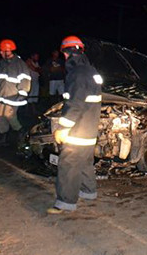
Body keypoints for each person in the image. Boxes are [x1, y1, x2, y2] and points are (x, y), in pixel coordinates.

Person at [47, 36, 102, 214]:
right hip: (90, 126)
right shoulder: (91, 70)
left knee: (68, 163)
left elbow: (75, 103)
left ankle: (65, 202)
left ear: (66, 53)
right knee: (85, 160)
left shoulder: (77, 73)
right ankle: (88, 191)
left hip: (78, 129)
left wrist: (63, 128)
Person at [0, 39, 31, 146]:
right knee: (0, 117)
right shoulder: (1, 63)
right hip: (3, 95)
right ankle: (3, 139)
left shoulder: (19, 64)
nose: (0, 53)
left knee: (10, 116)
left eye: (2, 51)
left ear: (8, 51)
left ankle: (22, 133)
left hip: (14, 96)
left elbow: (25, 79)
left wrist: (22, 94)